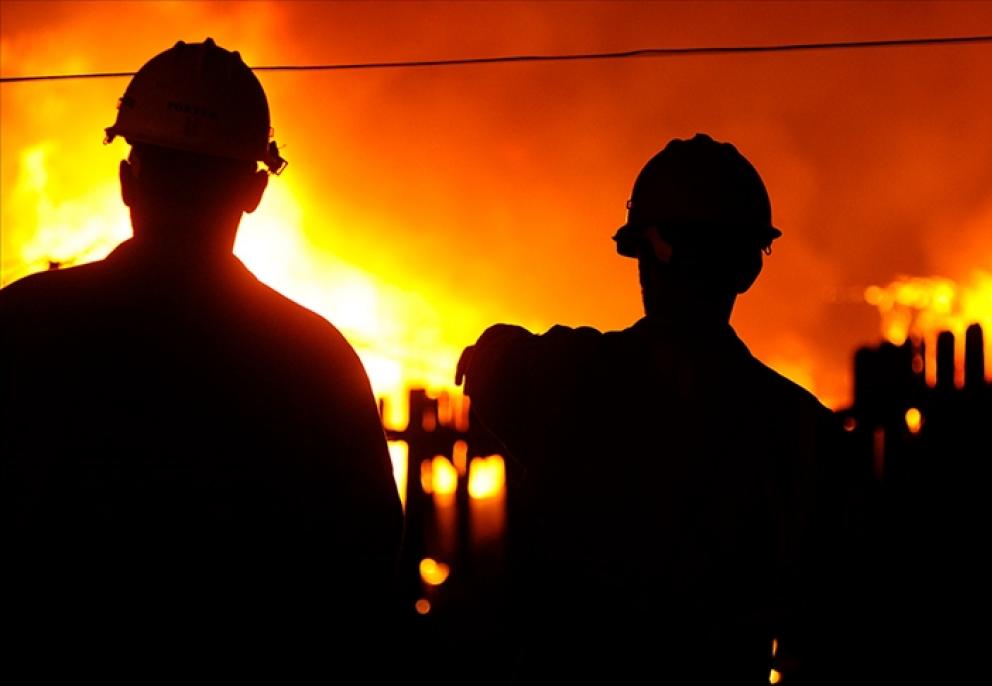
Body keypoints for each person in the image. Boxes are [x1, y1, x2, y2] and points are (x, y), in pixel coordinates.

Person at [0, 39, 402, 638]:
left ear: (127, 182)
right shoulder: (315, 364)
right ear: (253, 192)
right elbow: (366, 579)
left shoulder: (21, 326)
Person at [457, 134, 865, 683]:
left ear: (645, 255)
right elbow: (828, 627)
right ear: (750, 268)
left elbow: (492, 363)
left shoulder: (566, 376)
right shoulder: (802, 432)